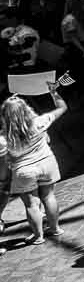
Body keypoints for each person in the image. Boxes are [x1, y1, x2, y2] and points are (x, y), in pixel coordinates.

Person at [2, 86, 69, 242]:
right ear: (26, 110)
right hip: (47, 164)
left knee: (32, 204)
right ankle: (55, 228)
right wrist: (54, 92)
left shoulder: (3, 139)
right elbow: (62, 107)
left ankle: (38, 236)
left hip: (24, 171)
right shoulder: (39, 123)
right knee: (49, 196)